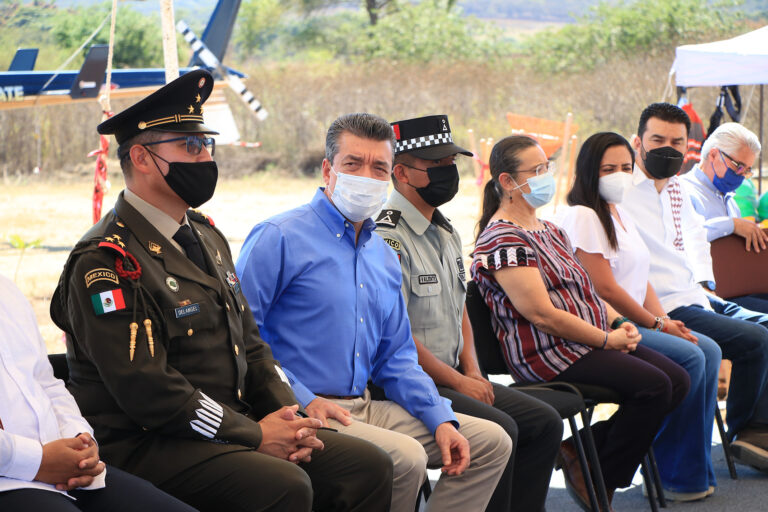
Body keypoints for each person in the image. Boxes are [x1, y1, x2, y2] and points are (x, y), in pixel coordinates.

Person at [49, 71, 393, 512]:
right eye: (189, 146)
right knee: (284, 485)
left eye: (206, 145)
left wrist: (291, 418)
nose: (205, 157)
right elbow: (149, 391)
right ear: (140, 156)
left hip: (226, 427)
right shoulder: (107, 261)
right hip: (148, 442)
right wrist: (254, 435)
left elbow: (251, 345)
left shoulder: (206, 236)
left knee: (367, 464)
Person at [236, 112, 512, 512]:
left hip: (364, 407)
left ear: (390, 177)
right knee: (406, 457)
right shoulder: (279, 237)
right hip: (300, 408)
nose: (366, 176)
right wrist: (303, 397)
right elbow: (244, 338)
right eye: (353, 164)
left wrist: (440, 419)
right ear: (328, 169)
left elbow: (397, 359)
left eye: (378, 167)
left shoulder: (381, 255)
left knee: (489, 442)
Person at [471, 134, 690, 511]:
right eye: (536, 170)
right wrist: (607, 340)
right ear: (507, 182)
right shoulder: (502, 239)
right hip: (548, 352)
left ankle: (580, 450)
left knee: (679, 380)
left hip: (585, 341)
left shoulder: (550, 230)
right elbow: (541, 314)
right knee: (654, 387)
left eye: (547, 167)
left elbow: (587, 291)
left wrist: (620, 322)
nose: (546, 177)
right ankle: (603, 475)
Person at [375, 114, 562, 512]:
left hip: (454, 375)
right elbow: (396, 334)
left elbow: (459, 308)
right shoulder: (386, 236)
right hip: (410, 382)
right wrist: (460, 382)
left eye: (450, 163)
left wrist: (473, 371)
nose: (448, 172)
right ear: (401, 172)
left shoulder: (444, 230)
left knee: (543, 422)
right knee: (502, 429)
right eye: (436, 165)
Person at [559, 131, 722, 500]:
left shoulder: (619, 211)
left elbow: (642, 276)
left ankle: (590, 445)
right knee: (692, 359)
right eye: (608, 168)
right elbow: (606, 289)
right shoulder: (583, 215)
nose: (619, 174)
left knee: (704, 350)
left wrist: (667, 322)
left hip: (636, 321)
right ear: (589, 170)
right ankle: (649, 469)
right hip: (607, 323)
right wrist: (657, 324)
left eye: (625, 167)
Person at [622, 102, 768, 471]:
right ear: (637, 142)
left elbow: (694, 242)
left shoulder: (674, 191)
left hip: (699, 293)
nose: (667, 148)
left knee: (764, 327)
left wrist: (706, 287)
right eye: (658, 139)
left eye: (676, 140)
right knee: (747, 342)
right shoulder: (625, 193)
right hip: (664, 305)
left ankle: (753, 433)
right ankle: (748, 433)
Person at [0, 273, 197, 512]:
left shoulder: (7, 290)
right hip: (9, 480)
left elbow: (46, 383)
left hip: (68, 470)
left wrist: (80, 440)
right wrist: (37, 461)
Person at [680, 122, 768, 311]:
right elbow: (684, 238)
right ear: (713, 154)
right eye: (738, 166)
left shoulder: (729, 200)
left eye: (746, 170)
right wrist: (731, 224)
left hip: (739, 288)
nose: (742, 176)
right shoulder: (683, 190)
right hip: (705, 295)